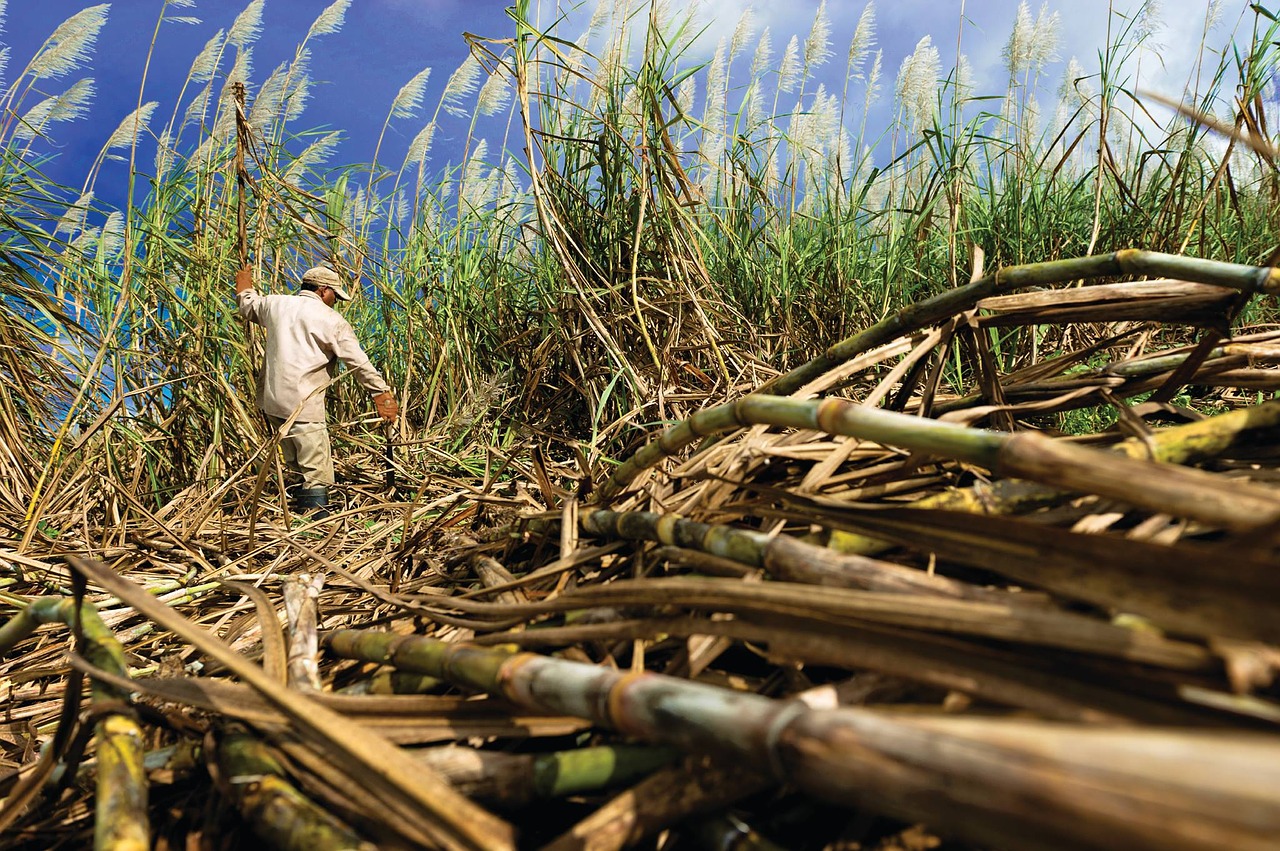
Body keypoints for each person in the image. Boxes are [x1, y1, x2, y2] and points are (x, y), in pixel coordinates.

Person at [234, 264, 398, 517]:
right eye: (335, 295)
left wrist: (244, 283)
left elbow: (248, 305)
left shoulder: (275, 304)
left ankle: (298, 520)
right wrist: (381, 394)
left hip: (273, 403)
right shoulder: (331, 320)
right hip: (304, 406)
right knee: (316, 472)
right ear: (323, 291)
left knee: (295, 466)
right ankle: (317, 529)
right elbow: (358, 362)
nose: (336, 302)